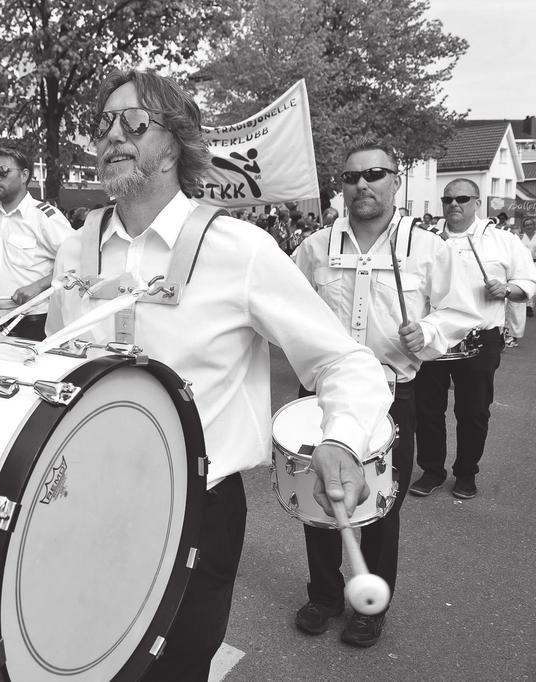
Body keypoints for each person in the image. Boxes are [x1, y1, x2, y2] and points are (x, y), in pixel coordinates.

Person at [45, 68, 392, 680]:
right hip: (88, 493)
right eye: (102, 123)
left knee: (176, 666)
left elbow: (343, 360)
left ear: (174, 141)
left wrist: (342, 438)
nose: (111, 135)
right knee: (85, 655)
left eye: (133, 121)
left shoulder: (241, 249)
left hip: (195, 506)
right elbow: (56, 359)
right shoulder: (77, 246)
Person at [292, 140, 480, 647]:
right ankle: (325, 593)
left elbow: (459, 311)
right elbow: (286, 308)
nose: (362, 185)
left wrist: (429, 333)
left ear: (395, 181)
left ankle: (368, 604)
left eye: (374, 174)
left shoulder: (427, 247)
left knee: (379, 504)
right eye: (351, 177)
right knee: (321, 498)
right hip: (323, 394)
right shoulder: (314, 247)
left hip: (391, 392)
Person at [410, 179, 536, 499]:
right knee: (427, 409)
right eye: (448, 199)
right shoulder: (428, 241)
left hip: (479, 338)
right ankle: (432, 469)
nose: (454, 204)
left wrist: (506, 289)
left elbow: (529, 279)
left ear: (477, 203)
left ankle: (466, 471)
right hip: (434, 336)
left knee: (473, 411)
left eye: (462, 198)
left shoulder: (501, 240)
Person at [0, 146, 74, 341]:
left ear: (24, 175)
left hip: (33, 322)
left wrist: (37, 287)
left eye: (3, 171)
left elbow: (74, 263)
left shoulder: (44, 217)